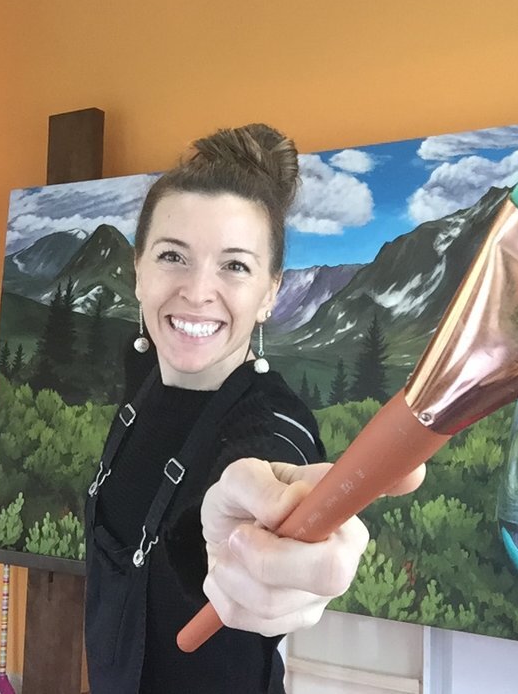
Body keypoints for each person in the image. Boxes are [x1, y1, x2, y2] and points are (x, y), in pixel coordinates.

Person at [84, 123, 424, 693]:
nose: (197, 291)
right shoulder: (142, 367)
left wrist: (270, 539)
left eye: (234, 266)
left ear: (269, 293)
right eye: (173, 256)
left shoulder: (273, 424)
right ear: (138, 270)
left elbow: (257, 478)